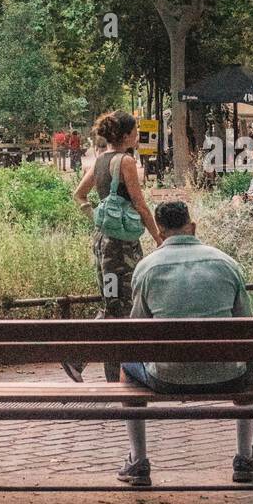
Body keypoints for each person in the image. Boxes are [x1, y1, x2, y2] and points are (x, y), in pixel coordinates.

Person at [117, 200, 253, 488]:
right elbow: (248, 325)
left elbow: (137, 334)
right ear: (192, 227)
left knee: (126, 368)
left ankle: (138, 461)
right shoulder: (226, 263)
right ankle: (244, 458)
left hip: (167, 378)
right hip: (228, 376)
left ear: (159, 231)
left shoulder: (146, 268)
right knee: (250, 365)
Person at [69, 111, 161, 382]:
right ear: (124, 135)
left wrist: (97, 216)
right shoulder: (126, 161)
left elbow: (79, 194)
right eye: (134, 132)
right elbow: (140, 203)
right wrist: (158, 237)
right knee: (123, 306)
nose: (137, 136)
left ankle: (108, 373)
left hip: (102, 244)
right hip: (123, 248)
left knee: (111, 303)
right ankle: (82, 357)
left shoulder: (99, 161)